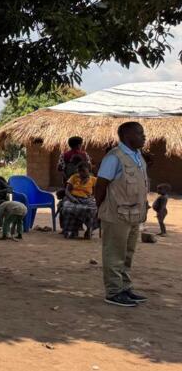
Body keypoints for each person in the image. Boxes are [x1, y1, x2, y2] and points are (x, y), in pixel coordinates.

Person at [96, 121, 150, 307]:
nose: (144, 137)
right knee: (114, 253)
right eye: (140, 133)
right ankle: (113, 292)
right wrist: (100, 208)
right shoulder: (114, 157)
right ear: (127, 136)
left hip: (134, 214)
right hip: (116, 214)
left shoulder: (137, 155)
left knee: (127, 253)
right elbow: (100, 185)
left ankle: (125, 288)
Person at [61, 161, 98, 239]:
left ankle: (89, 229)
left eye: (83, 171)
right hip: (73, 198)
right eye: (80, 171)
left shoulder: (93, 180)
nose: (81, 173)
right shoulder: (74, 177)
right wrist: (72, 199)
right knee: (67, 209)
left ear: (88, 170)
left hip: (86, 200)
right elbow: (67, 191)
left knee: (92, 210)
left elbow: (95, 193)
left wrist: (91, 198)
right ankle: (71, 231)